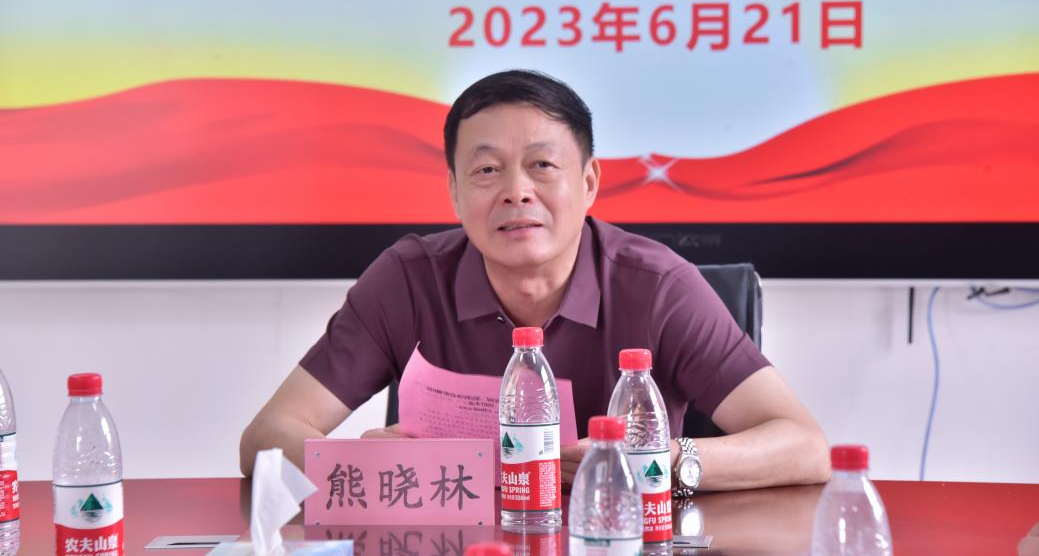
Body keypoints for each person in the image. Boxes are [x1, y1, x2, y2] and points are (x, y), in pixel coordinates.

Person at [240, 70, 830, 492]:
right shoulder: (407, 281)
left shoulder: (657, 288)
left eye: (542, 165)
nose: (516, 191)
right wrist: (359, 466)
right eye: (486, 169)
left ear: (589, 183)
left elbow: (804, 446)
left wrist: (658, 461)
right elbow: (265, 438)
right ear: (454, 192)